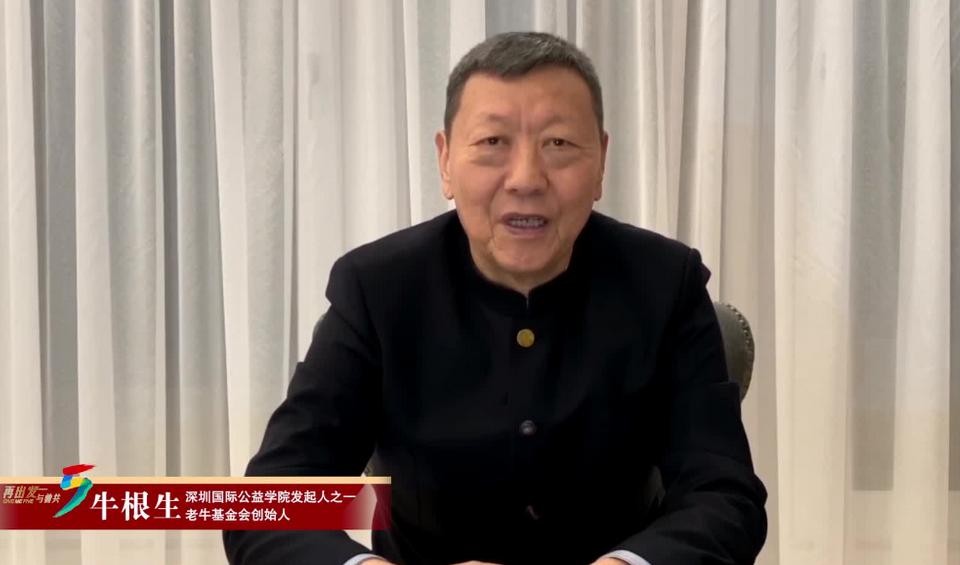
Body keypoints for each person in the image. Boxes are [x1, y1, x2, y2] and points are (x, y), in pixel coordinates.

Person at [224, 31, 767, 565]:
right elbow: (267, 503)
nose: (526, 179)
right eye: (492, 143)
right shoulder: (377, 288)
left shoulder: (665, 283)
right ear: (445, 161)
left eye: (558, 143)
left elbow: (723, 496)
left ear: (601, 160)